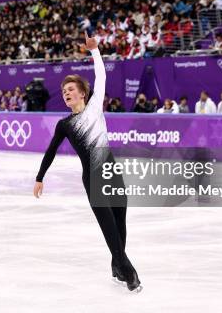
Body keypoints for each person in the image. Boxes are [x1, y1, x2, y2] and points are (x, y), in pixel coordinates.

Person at [33, 32, 141, 292]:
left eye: (71, 90)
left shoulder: (94, 107)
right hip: (93, 177)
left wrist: (94, 51)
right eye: (64, 91)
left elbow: (101, 77)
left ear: (83, 93)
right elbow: (50, 151)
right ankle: (128, 272)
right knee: (109, 228)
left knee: (120, 224)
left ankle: (117, 264)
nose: (66, 93)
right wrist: (39, 177)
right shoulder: (65, 125)